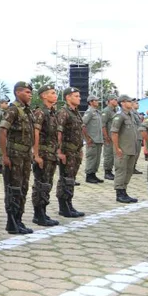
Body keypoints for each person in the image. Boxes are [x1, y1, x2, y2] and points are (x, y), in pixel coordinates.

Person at [0, 82, 36, 233]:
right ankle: (12, 221)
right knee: (13, 188)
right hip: (14, 155)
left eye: (30, 92)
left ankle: (18, 219)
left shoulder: (27, 111)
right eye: (27, 92)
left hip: (25, 156)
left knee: (23, 188)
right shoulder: (13, 110)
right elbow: (2, 131)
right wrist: (4, 155)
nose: (30, 94)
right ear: (18, 92)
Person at [30, 84, 62, 227]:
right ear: (44, 95)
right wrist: (36, 155)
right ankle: (38, 214)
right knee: (41, 184)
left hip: (51, 154)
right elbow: (35, 133)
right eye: (52, 93)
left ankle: (43, 211)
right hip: (43, 153)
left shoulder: (52, 112)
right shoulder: (40, 112)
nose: (55, 95)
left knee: (47, 184)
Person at [55, 87, 86, 217]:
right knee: (65, 179)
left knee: (71, 179)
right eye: (76, 96)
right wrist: (59, 151)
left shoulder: (76, 113)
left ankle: (69, 204)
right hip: (67, 152)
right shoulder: (64, 112)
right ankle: (63, 207)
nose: (79, 98)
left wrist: (80, 150)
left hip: (75, 151)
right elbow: (59, 133)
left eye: (79, 96)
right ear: (68, 97)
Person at [110, 95, 140, 203]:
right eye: (129, 101)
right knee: (121, 171)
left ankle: (124, 190)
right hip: (123, 149)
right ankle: (119, 193)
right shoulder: (119, 116)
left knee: (129, 171)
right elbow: (114, 132)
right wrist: (117, 148)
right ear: (122, 103)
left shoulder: (130, 115)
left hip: (131, 149)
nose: (131, 103)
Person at [82, 96, 104, 184]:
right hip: (92, 140)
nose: (97, 102)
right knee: (91, 158)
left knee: (97, 159)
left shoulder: (97, 112)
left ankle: (93, 174)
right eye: (96, 100)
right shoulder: (89, 112)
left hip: (98, 139)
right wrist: (87, 138)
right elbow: (82, 125)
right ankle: (89, 175)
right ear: (90, 102)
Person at [100, 96, 119, 180]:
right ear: (109, 101)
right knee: (108, 154)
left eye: (116, 99)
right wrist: (106, 136)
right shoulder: (106, 111)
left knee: (113, 154)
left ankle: (111, 170)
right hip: (109, 137)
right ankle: (107, 172)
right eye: (114, 99)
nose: (116, 101)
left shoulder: (115, 111)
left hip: (114, 137)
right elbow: (103, 125)